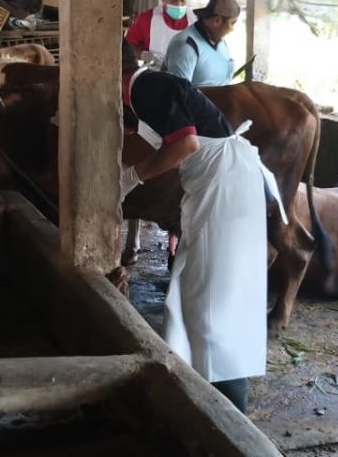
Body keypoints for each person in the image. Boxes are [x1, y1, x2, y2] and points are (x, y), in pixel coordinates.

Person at [120, 40, 283, 414]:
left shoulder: (148, 87)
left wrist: (132, 176)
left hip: (224, 186)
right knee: (194, 293)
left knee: (212, 303)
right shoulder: (140, 92)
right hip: (218, 184)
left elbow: (185, 145)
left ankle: (230, 413)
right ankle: (199, 394)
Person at [162, 0, 240, 88]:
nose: (232, 29)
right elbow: (179, 95)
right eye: (232, 23)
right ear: (217, 21)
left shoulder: (220, 42)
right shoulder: (185, 46)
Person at [125, 0, 196, 68]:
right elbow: (127, 46)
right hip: (156, 76)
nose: (179, 5)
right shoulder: (147, 19)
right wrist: (144, 55)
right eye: (174, 1)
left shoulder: (196, 20)